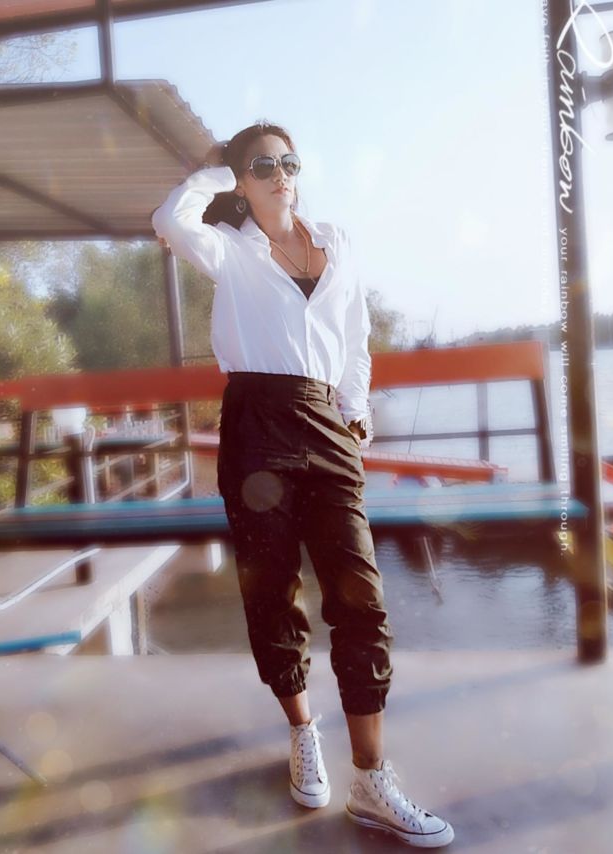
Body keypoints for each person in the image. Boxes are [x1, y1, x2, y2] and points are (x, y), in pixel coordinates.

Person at [151, 120, 454, 848]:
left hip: (325, 421)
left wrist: (355, 410)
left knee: (360, 597)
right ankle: (302, 731)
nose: (281, 173)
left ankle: (372, 780)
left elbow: (353, 336)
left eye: (288, 161)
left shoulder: (337, 242)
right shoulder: (229, 250)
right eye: (262, 165)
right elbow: (169, 219)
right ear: (241, 180)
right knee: (273, 591)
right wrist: (216, 173)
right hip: (256, 423)